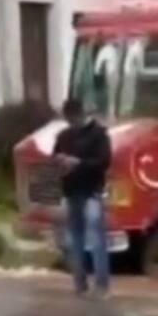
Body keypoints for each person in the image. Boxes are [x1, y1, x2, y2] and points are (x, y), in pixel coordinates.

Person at [54, 98, 112, 296]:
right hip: (71, 192)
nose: (70, 123)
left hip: (92, 191)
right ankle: (80, 285)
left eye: (72, 119)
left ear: (80, 114)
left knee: (96, 238)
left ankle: (101, 286)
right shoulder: (63, 136)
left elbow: (104, 161)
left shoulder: (98, 134)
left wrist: (77, 162)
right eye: (67, 120)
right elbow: (54, 157)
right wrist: (59, 162)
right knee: (75, 240)